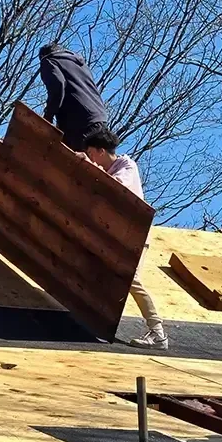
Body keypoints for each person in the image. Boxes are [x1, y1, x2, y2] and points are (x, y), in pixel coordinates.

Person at [84, 128, 168, 350]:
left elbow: (115, 188)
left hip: (136, 236)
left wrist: (88, 166)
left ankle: (158, 333)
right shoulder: (113, 168)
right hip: (120, 236)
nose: (92, 158)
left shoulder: (126, 166)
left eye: (92, 153)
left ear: (101, 151)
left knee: (132, 280)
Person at [39, 43, 108, 151]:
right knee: (95, 163)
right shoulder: (80, 65)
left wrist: (48, 117)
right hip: (99, 118)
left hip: (79, 123)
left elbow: (58, 86)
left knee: (69, 163)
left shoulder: (49, 61)